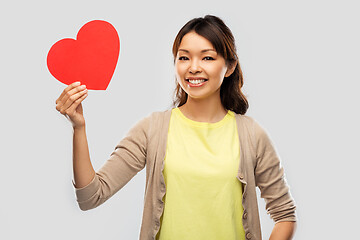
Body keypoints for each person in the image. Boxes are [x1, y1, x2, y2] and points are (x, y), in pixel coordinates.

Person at [55, 15, 297, 240]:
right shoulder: (153, 129)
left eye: (207, 57)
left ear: (230, 67)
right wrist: (79, 128)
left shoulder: (252, 135)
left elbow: (284, 215)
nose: (193, 67)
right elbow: (90, 197)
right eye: (184, 57)